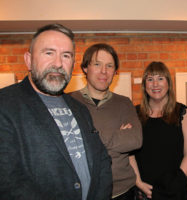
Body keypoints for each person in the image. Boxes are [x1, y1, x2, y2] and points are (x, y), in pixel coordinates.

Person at [0, 24, 112, 200]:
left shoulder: (79, 108)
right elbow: (8, 182)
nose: (58, 63)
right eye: (49, 53)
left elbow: (102, 160)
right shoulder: (5, 104)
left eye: (66, 55)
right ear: (28, 60)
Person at [70, 43, 142, 200]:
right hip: (85, 192)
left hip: (125, 191)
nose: (104, 71)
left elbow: (135, 140)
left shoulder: (124, 103)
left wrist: (90, 139)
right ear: (85, 68)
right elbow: (66, 146)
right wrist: (118, 135)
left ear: (115, 72)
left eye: (109, 66)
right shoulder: (69, 102)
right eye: (97, 64)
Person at [129, 61, 187, 200]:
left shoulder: (182, 112)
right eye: (150, 79)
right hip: (144, 190)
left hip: (175, 189)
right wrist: (138, 183)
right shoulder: (134, 114)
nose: (155, 84)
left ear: (168, 83)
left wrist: (177, 181)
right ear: (144, 85)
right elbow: (129, 154)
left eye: (160, 78)